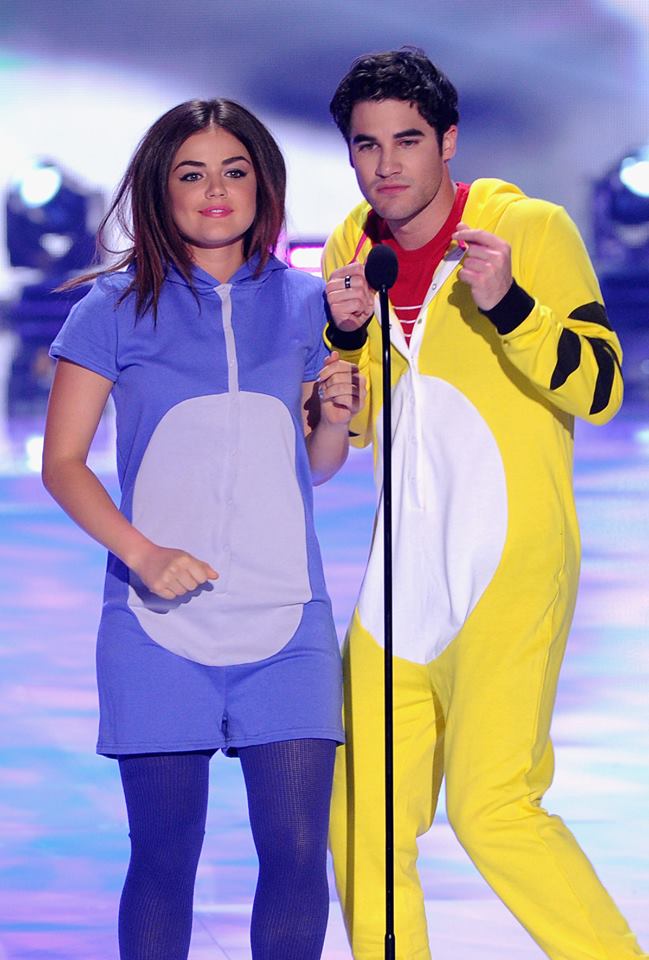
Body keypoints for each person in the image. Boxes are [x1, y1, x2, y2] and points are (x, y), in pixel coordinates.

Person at [323, 48, 646, 960]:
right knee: (363, 819)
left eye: (407, 142)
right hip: (398, 582)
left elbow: (603, 387)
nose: (386, 166)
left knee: (490, 805)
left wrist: (508, 306)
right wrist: (340, 349)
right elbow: (357, 421)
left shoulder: (528, 227)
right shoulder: (353, 241)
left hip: (508, 562)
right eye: (366, 146)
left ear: (447, 141)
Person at [41, 98, 364, 960]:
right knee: (164, 860)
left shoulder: (306, 304)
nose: (215, 191)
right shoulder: (108, 311)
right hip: (154, 633)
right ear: (159, 187)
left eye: (233, 170)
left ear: (262, 183)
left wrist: (334, 417)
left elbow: (313, 463)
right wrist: (143, 554)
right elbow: (63, 464)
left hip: (286, 622)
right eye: (191, 173)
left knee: (298, 857)